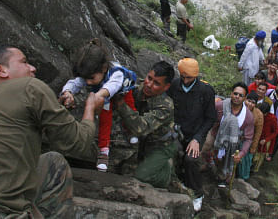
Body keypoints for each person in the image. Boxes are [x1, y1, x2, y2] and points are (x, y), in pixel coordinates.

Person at [0, 45, 103, 218]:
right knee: (56, 164)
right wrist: (90, 110)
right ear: (1, 70)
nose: (33, 68)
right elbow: (77, 143)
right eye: (24, 62)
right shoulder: (29, 87)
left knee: (50, 162)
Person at [59, 39, 138, 173]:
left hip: (121, 91)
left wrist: (97, 96)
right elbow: (75, 82)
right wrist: (68, 92)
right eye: (86, 79)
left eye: (91, 78)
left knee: (129, 111)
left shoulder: (117, 73)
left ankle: (130, 131)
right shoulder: (90, 73)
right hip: (103, 95)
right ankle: (104, 151)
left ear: (103, 68)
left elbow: (112, 87)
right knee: (104, 120)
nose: (88, 82)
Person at [112, 61, 176, 189]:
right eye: (149, 78)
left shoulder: (166, 106)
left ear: (166, 87)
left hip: (160, 146)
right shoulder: (137, 88)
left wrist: (120, 105)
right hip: (140, 142)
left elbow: (140, 128)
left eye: (156, 83)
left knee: (141, 177)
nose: (149, 85)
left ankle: (167, 173)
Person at [167, 58, 216, 212]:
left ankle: (197, 193)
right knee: (170, 153)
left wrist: (197, 138)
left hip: (196, 133)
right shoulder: (175, 85)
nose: (186, 81)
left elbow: (210, 118)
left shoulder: (206, 91)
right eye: (183, 77)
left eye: (189, 78)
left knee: (191, 159)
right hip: (177, 130)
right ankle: (177, 181)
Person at [213, 82, 254, 187]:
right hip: (216, 138)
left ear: (245, 98)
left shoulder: (247, 117)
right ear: (231, 94)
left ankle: (224, 178)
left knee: (227, 164)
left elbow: (248, 138)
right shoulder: (220, 106)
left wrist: (241, 153)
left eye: (241, 95)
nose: (237, 97)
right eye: (235, 94)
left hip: (234, 144)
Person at [237, 92, 263, 180]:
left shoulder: (258, 115)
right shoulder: (238, 108)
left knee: (244, 162)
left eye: (253, 102)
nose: (250, 104)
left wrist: (253, 147)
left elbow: (258, 133)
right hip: (234, 139)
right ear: (245, 100)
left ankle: (242, 178)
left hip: (247, 142)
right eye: (249, 101)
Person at [252, 102, 278, 171]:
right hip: (256, 138)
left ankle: (255, 170)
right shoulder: (256, 114)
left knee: (259, 157)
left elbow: (276, 131)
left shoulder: (272, 118)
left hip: (264, 141)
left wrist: (266, 140)